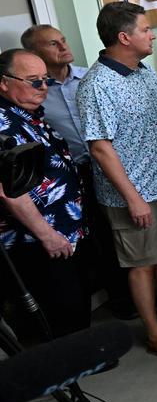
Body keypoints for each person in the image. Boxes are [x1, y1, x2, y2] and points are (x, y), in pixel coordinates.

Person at [76, 1, 157, 360]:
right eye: (145, 30)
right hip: (132, 193)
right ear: (124, 37)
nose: (152, 35)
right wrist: (132, 197)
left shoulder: (143, 71)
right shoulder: (97, 85)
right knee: (141, 263)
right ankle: (154, 332)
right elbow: (100, 149)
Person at [21, 24, 133, 320]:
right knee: (92, 240)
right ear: (35, 54)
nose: (62, 46)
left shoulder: (88, 79)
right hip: (72, 176)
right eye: (52, 44)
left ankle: (131, 294)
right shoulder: (35, 97)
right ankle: (115, 299)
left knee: (116, 233)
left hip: (107, 167)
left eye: (63, 39)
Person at [0, 49, 88, 341]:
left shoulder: (29, 113)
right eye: (33, 81)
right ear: (4, 82)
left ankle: (78, 362)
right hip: (33, 239)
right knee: (54, 312)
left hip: (64, 228)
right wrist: (46, 234)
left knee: (74, 304)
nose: (43, 88)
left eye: (45, 80)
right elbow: (8, 190)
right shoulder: (2, 123)